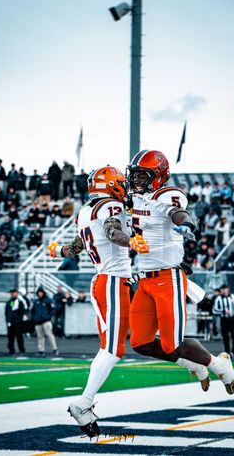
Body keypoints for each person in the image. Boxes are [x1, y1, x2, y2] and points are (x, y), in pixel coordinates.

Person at [126, 149, 234, 397]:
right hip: (144, 278)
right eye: (134, 175)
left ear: (158, 175)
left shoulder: (168, 195)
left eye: (141, 175)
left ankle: (221, 366)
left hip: (167, 278)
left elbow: (178, 213)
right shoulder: (138, 198)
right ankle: (193, 364)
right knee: (140, 343)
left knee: (172, 343)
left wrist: (185, 224)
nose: (136, 181)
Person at [48, 166, 146, 437]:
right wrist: (135, 242)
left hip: (106, 281)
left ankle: (85, 402)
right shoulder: (110, 206)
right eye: (121, 183)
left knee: (114, 346)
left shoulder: (84, 211)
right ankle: (84, 402)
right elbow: (114, 233)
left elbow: (74, 248)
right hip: (112, 281)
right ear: (112, 184)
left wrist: (58, 251)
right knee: (114, 349)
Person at [213, 284, 234, 360]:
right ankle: (227, 353)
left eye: (225, 289)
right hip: (224, 319)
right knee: (225, 337)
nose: (224, 290)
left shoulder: (232, 297)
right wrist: (223, 311)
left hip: (231, 319)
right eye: (223, 289)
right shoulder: (218, 298)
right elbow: (214, 310)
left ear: (228, 289)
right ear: (221, 290)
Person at [32, 287, 58, 355]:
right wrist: (34, 318)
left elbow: (53, 310)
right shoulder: (36, 302)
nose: (40, 294)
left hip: (46, 321)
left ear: (43, 293)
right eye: (39, 292)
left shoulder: (48, 300)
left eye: (41, 292)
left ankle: (54, 349)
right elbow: (33, 311)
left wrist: (47, 317)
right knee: (40, 337)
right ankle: (41, 350)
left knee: (49, 335)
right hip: (38, 322)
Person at [5, 288, 25, 354]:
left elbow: (21, 312)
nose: (12, 294)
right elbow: (7, 312)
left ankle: (21, 350)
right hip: (10, 322)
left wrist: (19, 321)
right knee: (10, 337)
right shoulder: (9, 302)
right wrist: (8, 321)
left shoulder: (19, 302)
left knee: (19, 336)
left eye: (13, 292)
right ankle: (11, 350)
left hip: (17, 322)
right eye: (11, 293)